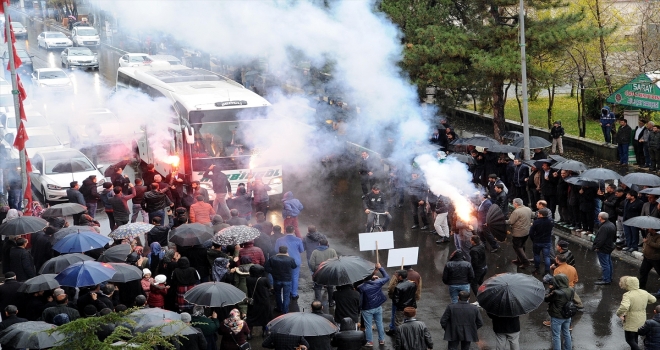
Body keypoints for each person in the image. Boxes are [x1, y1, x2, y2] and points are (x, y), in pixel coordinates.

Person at [617, 276, 657, 350]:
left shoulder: (628, 295)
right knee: (635, 339)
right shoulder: (644, 292)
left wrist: (619, 313)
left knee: (630, 340)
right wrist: (644, 302)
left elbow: (624, 307)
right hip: (641, 318)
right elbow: (653, 300)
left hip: (631, 320)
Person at [357, 263, 389, 346]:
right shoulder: (378, 282)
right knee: (380, 323)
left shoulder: (361, 287)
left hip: (367, 308)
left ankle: (370, 341)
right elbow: (387, 277)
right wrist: (380, 268)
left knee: (368, 325)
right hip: (378, 306)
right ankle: (382, 340)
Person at [265, 246, 297, 314]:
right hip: (287, 279)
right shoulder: (290, 259)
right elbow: (294, 266)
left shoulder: (272, 258)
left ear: (279, 251)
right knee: (286, 295)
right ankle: (285, 310)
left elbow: (267, 268)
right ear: (286, 251)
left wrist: (273, 272)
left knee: (278, 294)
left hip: (277, 279)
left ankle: (279, 308)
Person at [545, 274, 574, 350]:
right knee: (566, 333)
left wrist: (550, 290)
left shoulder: (556, 292)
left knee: (556, 336)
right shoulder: (571, 289)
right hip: (567, 315)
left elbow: (546, 299)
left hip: (557, 317)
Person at [275, 226, 305, 299]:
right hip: (295, 261)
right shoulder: (298, 240)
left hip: (283, 261)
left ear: (285, 230)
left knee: (285, 277)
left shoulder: (279, 240)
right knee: (295, 277)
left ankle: (286, 293)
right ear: (294, 231)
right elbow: (302, 250)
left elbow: (276, 250)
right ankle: (294, 294)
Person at [246, 264, 273, 336]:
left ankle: (249, 333)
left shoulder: (248, 279)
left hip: (253, 301)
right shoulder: (264, 279)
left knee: (251, 316)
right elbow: (270, 287)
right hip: (264, 301)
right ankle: (264, 331)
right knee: (265, 316)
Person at [309, 238, 337, 306]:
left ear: (319, 244)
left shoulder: (315, 252)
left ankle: (318, 303)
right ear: (327, 244)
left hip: (319, 271)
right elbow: (336, 261)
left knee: (318, 287)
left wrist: (314, 271)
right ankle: (331, 302)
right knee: (330, 287)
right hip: (329, 271)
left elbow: (311, 263)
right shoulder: (332, 251)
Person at [507, 198, 533, 267]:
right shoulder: (528, 209)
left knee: (517, 247)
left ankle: (525, 262)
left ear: (516, 204)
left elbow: (510, 221)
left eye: (513, 203)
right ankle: (519, 259)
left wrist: (502, 221)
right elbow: (532, 216)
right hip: (526, 232)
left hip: (518, 233)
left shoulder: (516, 211)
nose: (513, 204)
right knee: (522, 246)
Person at [593, 212, 616, 286]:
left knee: (605, 264)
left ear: (600, 218)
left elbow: (601, 239)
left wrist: (597, 246)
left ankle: (606, 279)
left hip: (603, 248)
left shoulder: (604, 227)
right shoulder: (611, 224)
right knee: (608, 263)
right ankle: (609, 277)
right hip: (609, 246)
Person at [529, 208, 554, 275]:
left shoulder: (536, 222)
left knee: (537, 255)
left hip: (537, 241)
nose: (538, 214)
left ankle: (537, 269)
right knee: (547, 257)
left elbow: (531, 232)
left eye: (539, 214)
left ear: (541, 215)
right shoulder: (551, 221)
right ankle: (547, 271)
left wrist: (533, 239)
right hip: (547, 241)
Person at [469, 236, 487, 300]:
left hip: (478, 269)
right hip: (484, 267)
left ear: (473, 241)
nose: (470, 240)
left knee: (473, 284)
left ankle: (479, 299)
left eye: (471, 239)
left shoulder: (473, 250)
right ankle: (486, 292)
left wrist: (471, 270)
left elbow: (474, 262)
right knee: (480, 281)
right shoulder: (481, 245)